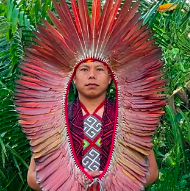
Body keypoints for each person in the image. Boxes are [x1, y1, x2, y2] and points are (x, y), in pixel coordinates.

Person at [27, 60, 159, 191]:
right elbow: (33, 177)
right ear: (73, 77)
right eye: (84, 69)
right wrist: (75, 184)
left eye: (99, 69)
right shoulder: (56, 118)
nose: (92, 75)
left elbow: (152, 172)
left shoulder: (129, 118)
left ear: (109, 78)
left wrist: (111, 186)